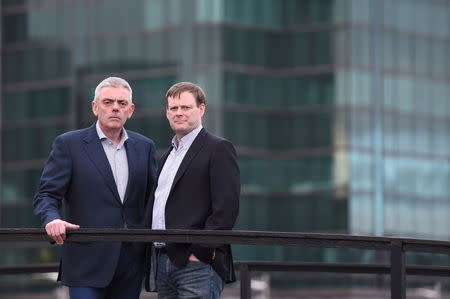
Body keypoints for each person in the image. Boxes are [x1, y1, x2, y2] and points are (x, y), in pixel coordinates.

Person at [33, 76, 157, 299]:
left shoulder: (145, 147)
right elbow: (47, 194)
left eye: (121, 103)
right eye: (108, 102)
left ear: (131, 110)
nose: (115, 108)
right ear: (95, 107)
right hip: (85, 261)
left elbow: (153, 200)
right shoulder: (69, 144)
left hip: (131, 262)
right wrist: (51, 219)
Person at [144, 82, 240, 298]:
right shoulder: (168, 155)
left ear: (201, 109)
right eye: (173, 108)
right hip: (162, 260)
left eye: (185, 107)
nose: (178, 113)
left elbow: (226, 207)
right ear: (167, 113)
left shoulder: (218, 148)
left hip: (196, 264)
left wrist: (200, 252)